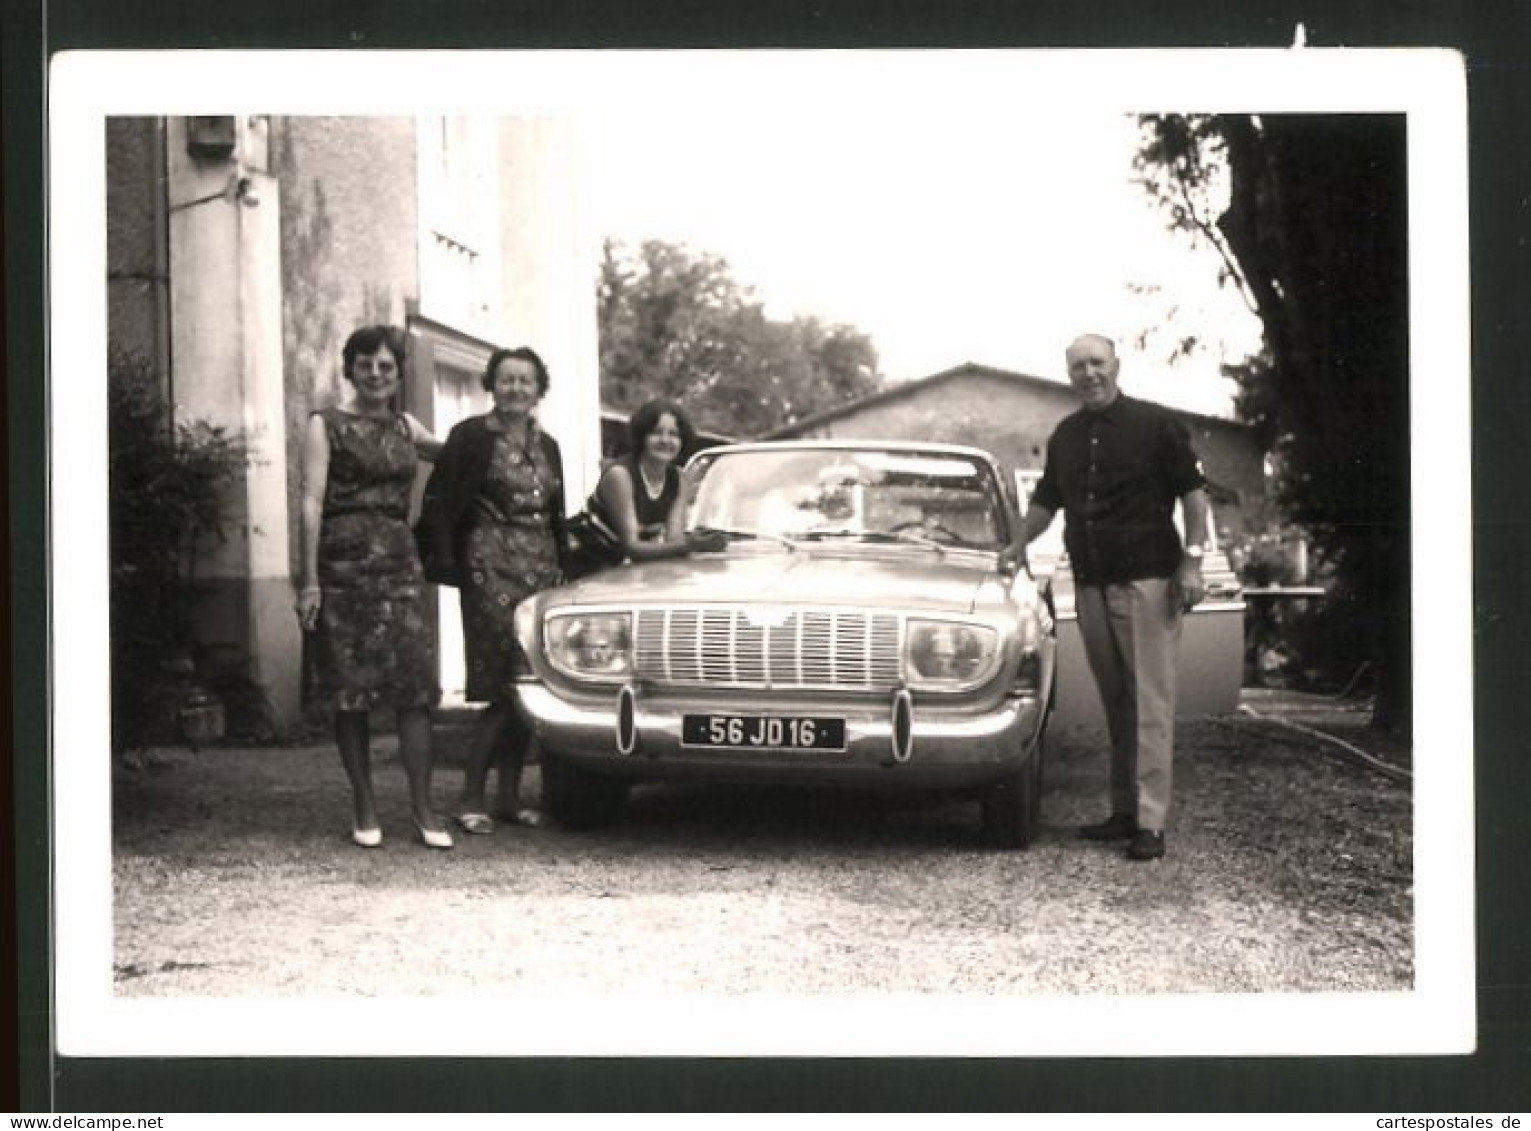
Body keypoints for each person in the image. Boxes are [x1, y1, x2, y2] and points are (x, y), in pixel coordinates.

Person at [1005, 333, 1210, 861]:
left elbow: (1193, 494)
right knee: (1117, 701)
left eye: (1097, 362)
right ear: (1068, 374)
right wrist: (1013, 545)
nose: (1089, 373)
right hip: (1091, 582)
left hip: (1148, 581)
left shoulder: (1156, 424)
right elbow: (1047, 502)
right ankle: (1124, 812)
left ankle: (1151, 822)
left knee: (1150, 702)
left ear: (1116, 364)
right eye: (1078, 366)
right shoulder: (1067, 435)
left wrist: (1193, 560)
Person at [296, 324, 452, 850]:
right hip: (341, 566)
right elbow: (312, 502)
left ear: (398, 373)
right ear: (350, 369)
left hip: (400, 567)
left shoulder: (408, 427)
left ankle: (424, 808)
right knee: (350, 693)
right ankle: (364, 804)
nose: (377, 374)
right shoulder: (327, 423)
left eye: (387, 366)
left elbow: (456, 454)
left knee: (414, 691)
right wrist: (309, 581)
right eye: (366, 364)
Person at [418, 346, 570, 836]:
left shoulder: (549, 445)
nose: (516, 389)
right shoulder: (470, 436)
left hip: (541, 569)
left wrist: (565, 569)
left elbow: (556, 514)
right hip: (490, 567)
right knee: (503, 687)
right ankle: (470, 796)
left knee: (532, 687)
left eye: (526, 381)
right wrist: (446, 559)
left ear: (539, 388)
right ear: (492, 384)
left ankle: (507, 797)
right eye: (507, 380)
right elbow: (439, 500)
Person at [586, 397, 725, 562]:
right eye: (656, 432)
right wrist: (692, 545)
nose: (665, 440)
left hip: (628, 570)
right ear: (642, 437)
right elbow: (632, 547)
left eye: (674, 434)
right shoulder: (620, 475)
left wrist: (702, 544)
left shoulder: (679, 478)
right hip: (589, 568)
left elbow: (674, 540)